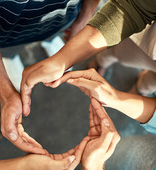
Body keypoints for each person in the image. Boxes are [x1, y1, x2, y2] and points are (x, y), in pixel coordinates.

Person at [0, 0, 101, 154]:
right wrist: (6, 93)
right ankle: (9, 57)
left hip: (65, 17)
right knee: (8, 50)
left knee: (55, 35)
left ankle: (50, 42)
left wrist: (84, 18)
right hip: (6, 33)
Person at [20, 0, 156, 117]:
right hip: (149, 48)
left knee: (150, 83)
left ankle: (140, 88)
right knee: (119, 53)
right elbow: (137, 8)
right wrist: (62, 60)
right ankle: (101, 61)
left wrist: (118, 99)